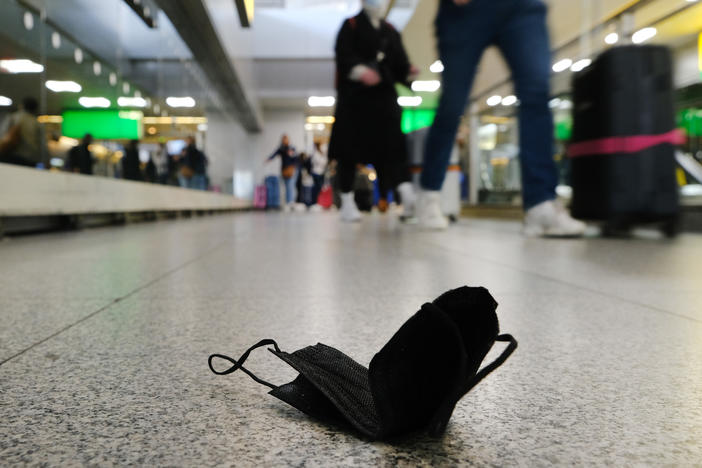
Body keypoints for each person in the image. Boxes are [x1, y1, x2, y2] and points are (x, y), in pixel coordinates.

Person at [417, 0, 585, 236]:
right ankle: (429, 192)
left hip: (522, 7)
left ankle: (540, 204)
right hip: (466, 11)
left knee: (536, 92)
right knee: (453, 104)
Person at [328, 0, 417, 222]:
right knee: (348, 151)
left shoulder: (390, 31)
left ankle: (406, 195)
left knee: (395, 147)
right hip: (355, 100)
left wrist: (408, 72)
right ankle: (347, 201)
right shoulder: (350, 25)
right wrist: (360, 71)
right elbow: (343, 55)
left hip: (384, 99)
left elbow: (400, 64)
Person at [0, 97, 48, 168]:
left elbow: (3, 136)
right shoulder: (37, 123)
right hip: (30, 160)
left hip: (11, 156)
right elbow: (42, 144)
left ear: (21, 105)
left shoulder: (13, 117)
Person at [266, 134, 299, 211]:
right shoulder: (281, 149)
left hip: (291, 170)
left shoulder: (292, 148)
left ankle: (290, 202)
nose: (285, 141)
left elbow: (295, 159)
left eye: (286, 139)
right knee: (286, 187)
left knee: (290, 186)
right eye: (283, 139)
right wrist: (269, 159)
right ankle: (287, 203)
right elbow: (274, 154)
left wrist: (294, 167)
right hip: (284, 171)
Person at [310, 141, 328, 207]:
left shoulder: (322, 154)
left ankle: (319, 202)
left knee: (320, 188)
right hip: (316, 173)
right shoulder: (315, 154)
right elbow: (320, 162)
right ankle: (314, 203)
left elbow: (325, 162)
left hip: (321, 173)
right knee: (316, 188)